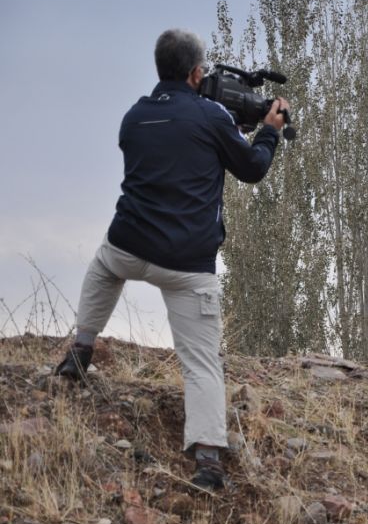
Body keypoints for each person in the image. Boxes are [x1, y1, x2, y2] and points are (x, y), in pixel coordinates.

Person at [52, 28, 289, 489]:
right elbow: (253, 169)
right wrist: (269, 133)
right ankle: (207, 462)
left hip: (130, 246)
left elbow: (174, 150)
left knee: (101, 268)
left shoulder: (133, 117)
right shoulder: (212, 117)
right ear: (197, 72)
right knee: (201, 362)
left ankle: (80, 351)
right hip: (186, 266)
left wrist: (223, 129)